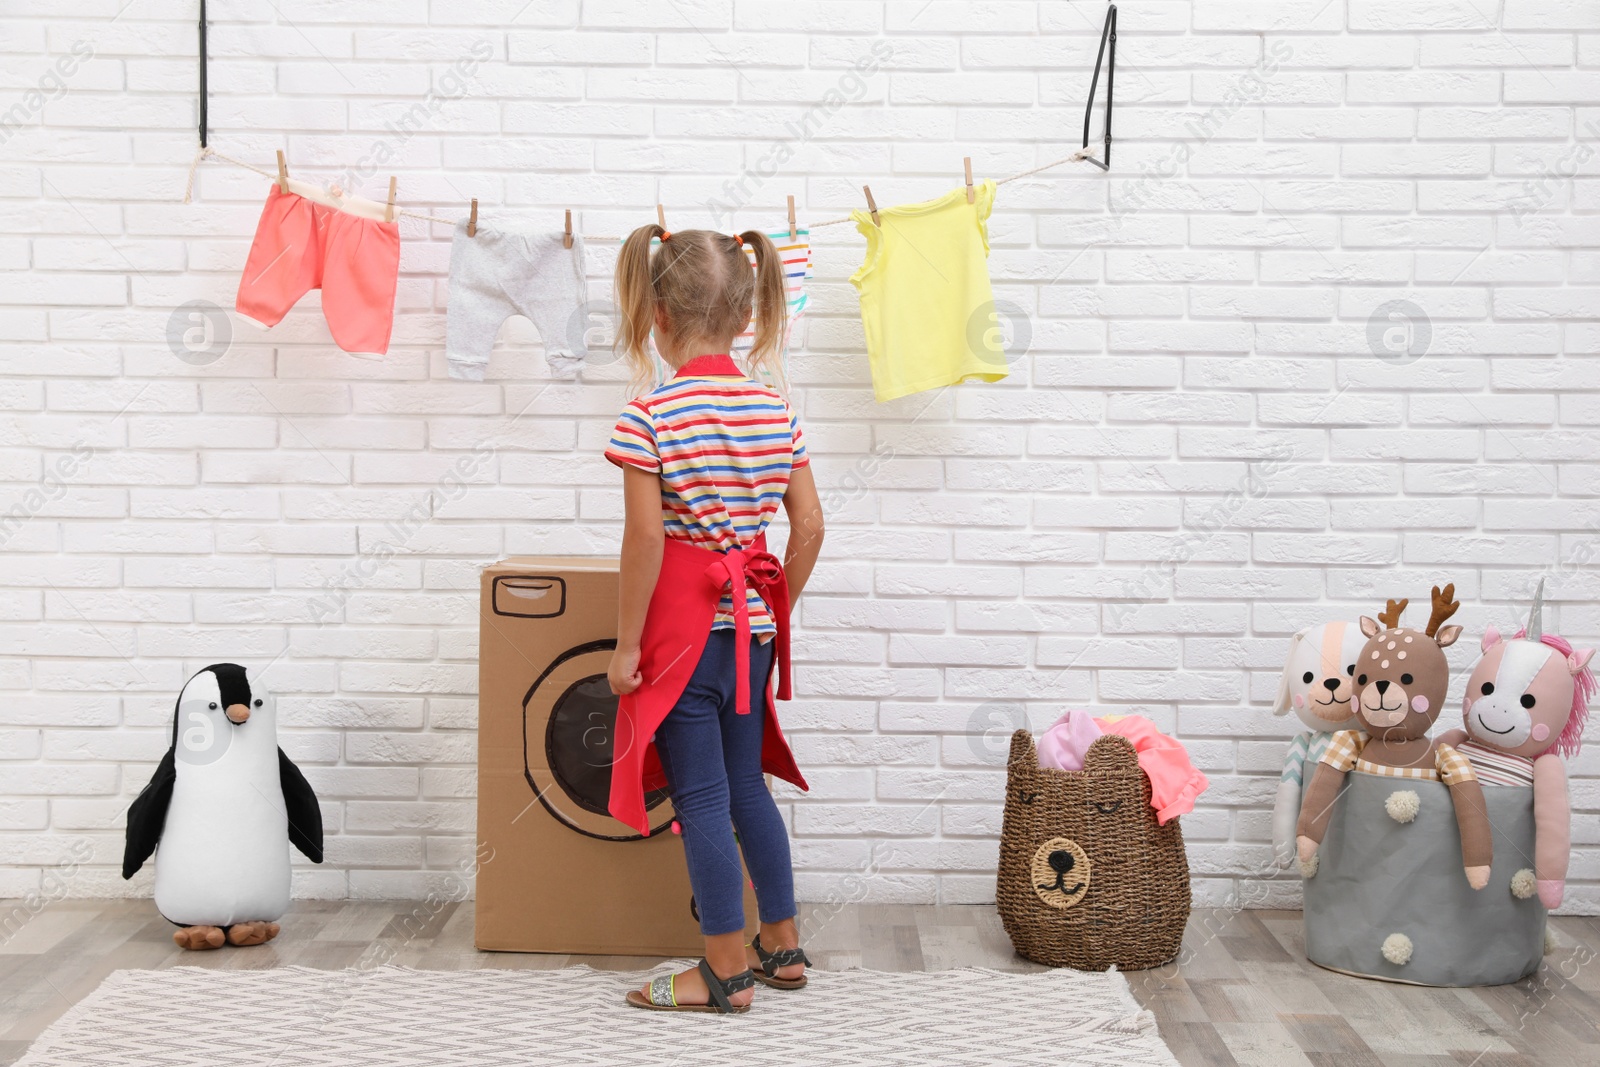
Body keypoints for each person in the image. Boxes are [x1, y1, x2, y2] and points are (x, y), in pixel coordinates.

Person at [603, 225, 825, 1015]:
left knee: (699, 798)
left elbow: (645, 538)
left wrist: (628, 645)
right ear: (744, 315)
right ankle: (783, 945)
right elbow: (809, 526)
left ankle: (724, 969)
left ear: (657, 312)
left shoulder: (649, 416)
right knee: (746, 790)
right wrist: (771, 610)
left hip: (682, 641)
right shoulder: (776, 412)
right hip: (749, 635)